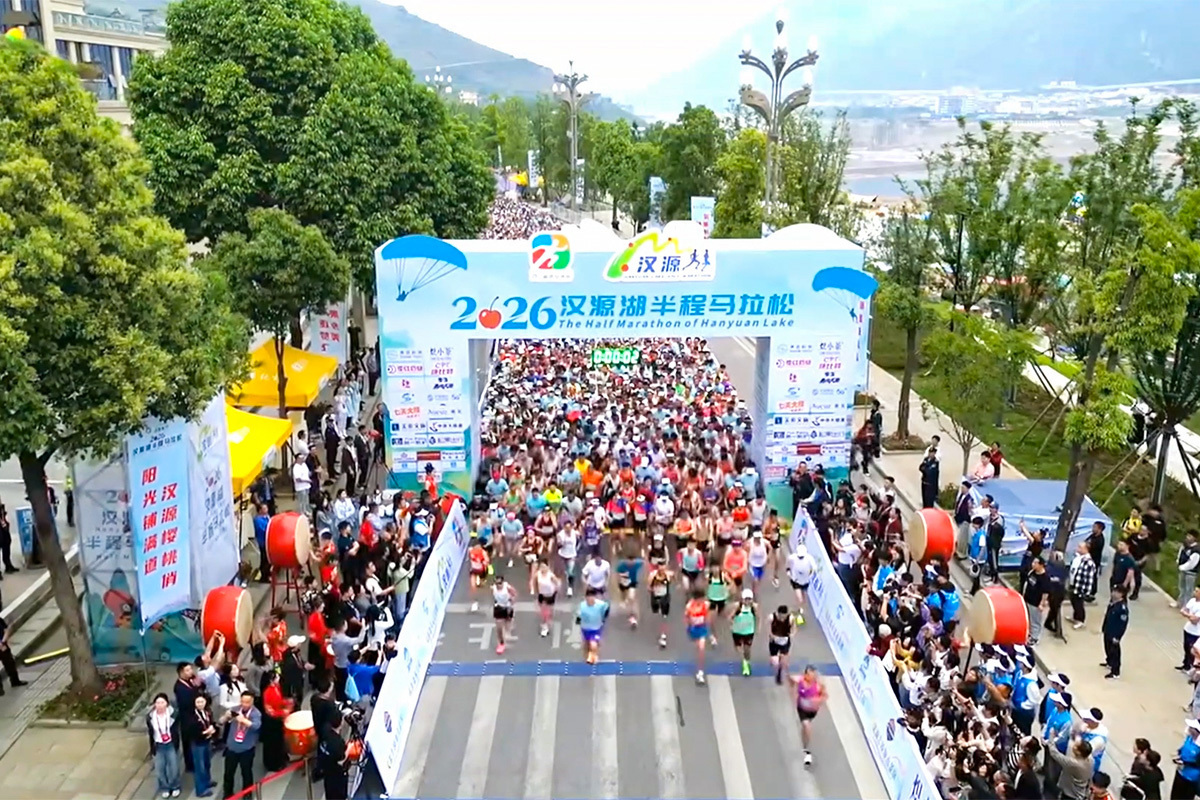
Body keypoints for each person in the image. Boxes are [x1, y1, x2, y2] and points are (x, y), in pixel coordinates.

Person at [221, 691, 261, 799]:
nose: (244, 704)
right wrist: (226, 717)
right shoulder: (235, 709)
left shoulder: (255, 713)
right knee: (228, 773)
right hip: (232, 748)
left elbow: (256, 726)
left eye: (247, 702)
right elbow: (221, 721)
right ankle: (227, 793)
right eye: (242, 701)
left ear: (252, 702)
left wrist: (243, 720)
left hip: (246, 749)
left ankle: (247, 795)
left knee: (246, 773)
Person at [789, 664, 827, 767]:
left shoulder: (819, 686)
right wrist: (792, 692)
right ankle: (806, 750)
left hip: (812, 711)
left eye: (814, 675)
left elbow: (825, 696)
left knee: (806, 727)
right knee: (806, 726)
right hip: (802, 709)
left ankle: (805, 737)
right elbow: (790, 679)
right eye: (810, 675)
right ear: (806, 674)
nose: (812, 677)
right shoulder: (800, 680)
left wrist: (817, 700)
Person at [146, 693, 182, 798]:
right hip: (158, 745)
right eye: (157, 703)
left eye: (162, 702)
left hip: (170, 744)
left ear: (167, 703)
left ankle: (175, 786)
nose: (160, 705)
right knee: (160, 769)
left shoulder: (173, 714)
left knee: (173, 768)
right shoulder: (150, 717)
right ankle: (165, 787)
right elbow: (151, 732)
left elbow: (176, 729)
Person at [183, 694, 218, 797]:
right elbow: (191, 731)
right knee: (199, 766)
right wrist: (206, 732)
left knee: (207, 763)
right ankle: (200, 789)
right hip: (198, 743)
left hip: (207, 741)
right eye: (198, 702)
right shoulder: (192, 716)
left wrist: (213, 729)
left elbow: (211, 722)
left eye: (202, 702)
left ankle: (207, 781)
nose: (200, 704)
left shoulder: (207, 712)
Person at [259, 671, 292, 773]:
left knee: (279, 741)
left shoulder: (276, 688)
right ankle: (274, 764)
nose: (279, 678)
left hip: (277, 720)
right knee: (273, 744)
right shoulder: (267, 692)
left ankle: (281, 758)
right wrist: (283, 712)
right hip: (271, 722)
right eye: (277, 677)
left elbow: (279, 700)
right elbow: (270, 711)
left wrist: (286, 702)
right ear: (271, 680)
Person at [1101, 585, 1130, 679]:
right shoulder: (1113, 603)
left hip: (1114, 633)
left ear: (1121, 594)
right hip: (1108, 630)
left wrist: (1118, 636)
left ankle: (1115, 671)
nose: (1113, 593)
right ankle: (1109, 662)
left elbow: (1122, 624)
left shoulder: (1122, 608)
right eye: (1113, 591)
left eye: (1116, 592)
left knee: (1115, 651)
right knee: (1107, 647)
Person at [576, 588, 610, 665]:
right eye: (588, 598)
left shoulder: (600, 605)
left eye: (592, 597)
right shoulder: (582, 605)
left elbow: (606, 608)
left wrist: (603, 618)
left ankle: (594, 656)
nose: (590, 600)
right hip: (585, 628)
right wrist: (578, 621)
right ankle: (588, 656)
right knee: (587, 644)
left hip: (596, 628)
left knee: (593, 643)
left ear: (595, 597)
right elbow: (579, 615)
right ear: (586, 598)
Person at [729, 588, 758, 677]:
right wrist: (731, 624)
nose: (748, 601)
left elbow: (758, 617)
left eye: (749, 599)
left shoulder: (754, 607)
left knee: (747, 649)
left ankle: (746, 663)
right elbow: (730, 617)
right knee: (738, 648)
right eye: (746, 599)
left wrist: (757, 628)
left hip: (749, 631)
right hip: (737, 631)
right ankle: (744, 661)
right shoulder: (737, 607)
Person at [0, 612, 27, 695]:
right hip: (2, 646)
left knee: (10, 663)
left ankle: (15, 681)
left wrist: (3, 642)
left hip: (2, 645)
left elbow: (6, 630)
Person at [492, 573, 518, 655]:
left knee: (508, 624)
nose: (498, 585)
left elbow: (514, 594)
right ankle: (501, 644)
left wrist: (511, 602)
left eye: (500, 583)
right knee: (499, 628)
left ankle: (508, 629)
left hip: (507, 608)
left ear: (503, 582)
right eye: (497, 583)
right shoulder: (493, 588)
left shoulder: (507, 588)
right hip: (499, 608)